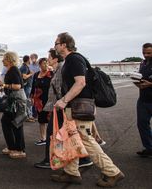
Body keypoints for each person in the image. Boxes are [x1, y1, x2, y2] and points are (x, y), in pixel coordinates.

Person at [51, 32, 124, 187]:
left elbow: (80, 83)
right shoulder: (72, 60)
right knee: (72, 139)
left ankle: (113, 172)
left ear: (64, 44)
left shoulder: (74, 59)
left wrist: (64, 100)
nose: (55, 46)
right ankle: (71, 173)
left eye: (56, 43)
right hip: (76, 107)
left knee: (86, 140)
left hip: (79, 107)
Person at [34, 49, 93, 169]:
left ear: (55, 59)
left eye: (49, 57)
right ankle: (80, 159)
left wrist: (62, 102)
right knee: (64, 134)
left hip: (61, 106)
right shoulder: (58, 69)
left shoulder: (61, 69)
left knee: (54, 133)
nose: (48, 59)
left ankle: (51, 159)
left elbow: (62, 88)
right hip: (60, 106)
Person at [0, 51, 26, 159]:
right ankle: (12, 147)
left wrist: (3, 85)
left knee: (16, 124)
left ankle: (20, 150)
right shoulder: (11, 70)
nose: (3, 60)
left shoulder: (13, 70)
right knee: (7, 122)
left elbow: (17, 86)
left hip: (16, 101)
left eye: (4, 58)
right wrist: (1, 89)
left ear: (9, 59)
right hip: (13, 100)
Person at [30, 58, 52, 145]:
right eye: (43, 63)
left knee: (50, 119)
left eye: (47, 63)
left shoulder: (51, 74)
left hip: (49, 99)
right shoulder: (36, 75)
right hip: (39, 101)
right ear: (39, 65)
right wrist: (31, 97)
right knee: (41, 120)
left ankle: (52, 138)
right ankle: (43, 138)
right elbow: (33, 87)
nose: (46, 65)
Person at [136, 42, 152, 157]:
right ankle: (149, 148)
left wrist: (150, 84)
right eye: (144, 53)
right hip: (143, 100)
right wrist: (138, 83)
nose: (146, 55)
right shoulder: (143, 63)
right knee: (142, 124)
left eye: (149, 53)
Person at [20, 55, 35, 122]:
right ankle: (28, 116)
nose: (31, 60)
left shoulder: (24, 67)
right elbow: (24, 77)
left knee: (26, 101)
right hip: (27, 86)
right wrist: (31, 74)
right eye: (30, 59)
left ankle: (28, 115)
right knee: (27, 101)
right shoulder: (25, 67)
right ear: (28, 60)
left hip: (27, 86)